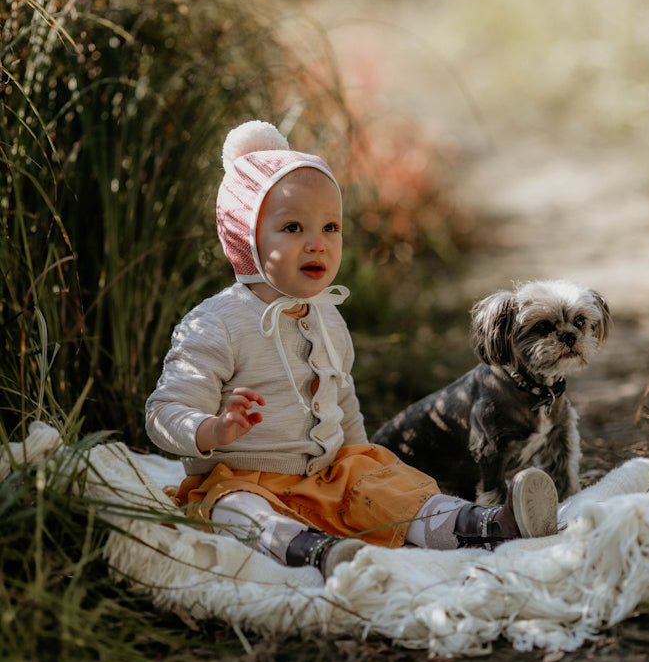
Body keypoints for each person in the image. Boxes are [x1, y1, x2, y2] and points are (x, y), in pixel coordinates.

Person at [146, 120, 558, 580]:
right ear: (246, 237)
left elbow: (341, 401)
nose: (316, 242)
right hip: (244, 479)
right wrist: (213, 430)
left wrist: (363, 462)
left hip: (327, 475)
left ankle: (488, 524)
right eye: (293, 227)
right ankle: (314, 551)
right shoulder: (216, 322)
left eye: (330, 226)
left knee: (394, 491)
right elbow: (164, 410)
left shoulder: (327, 318)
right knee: (237, 511)